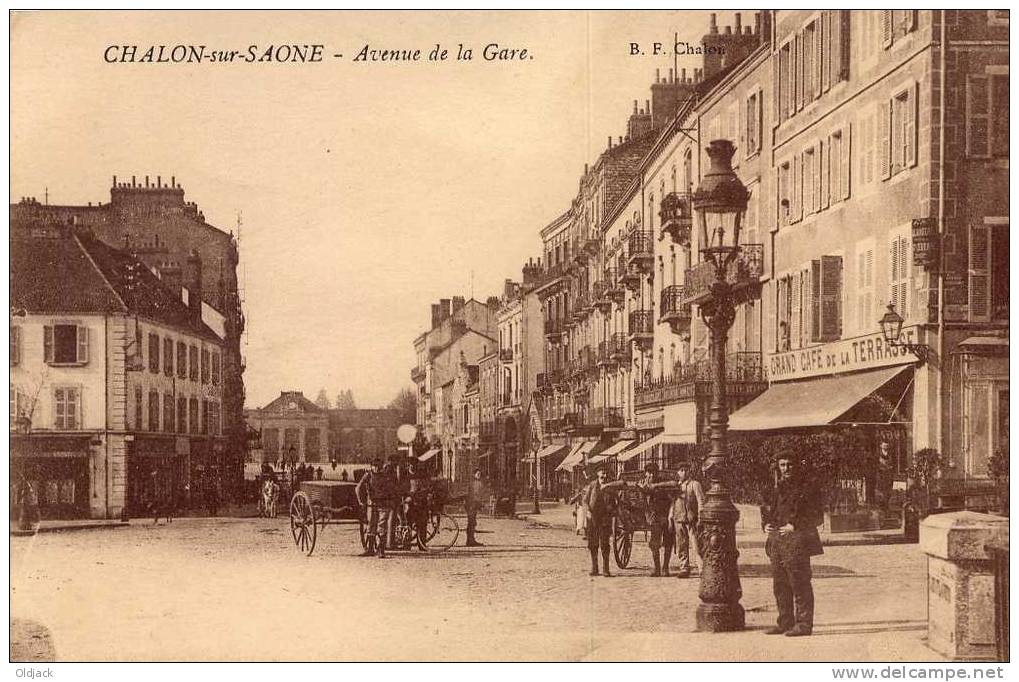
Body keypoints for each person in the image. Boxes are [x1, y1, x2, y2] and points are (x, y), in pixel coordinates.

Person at [761, 454, 823, 637]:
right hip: (777, 542)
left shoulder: (807, 488)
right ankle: (785, 622)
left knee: (800, 582)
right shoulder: (775, 488)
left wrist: (794, 525)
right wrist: (765, 525)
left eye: (789, 464)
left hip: (797, 542)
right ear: (778, 467)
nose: (786, 468)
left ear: (796, 466)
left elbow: (817, 515)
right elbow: (766, 509)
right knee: (780, 584)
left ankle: (803, 625)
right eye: (782, 465)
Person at [581, 466, 626, 577]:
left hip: (605, 518)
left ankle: (606, 569)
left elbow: (622, 486)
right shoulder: (592, 485)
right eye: (602, 473)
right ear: (598, 474)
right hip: (593, 517)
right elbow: (585, 501)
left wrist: (608, 486)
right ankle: (594, 567)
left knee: (605, 544)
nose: (604, 476)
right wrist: (587, 512)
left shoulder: (611, 485)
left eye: (606, 474)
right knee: (592, 544)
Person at [638, 462, 681, 577]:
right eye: (649, 473)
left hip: (666, 516)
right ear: (645, 473)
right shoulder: (642, 483)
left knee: (668, 542)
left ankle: (665, 567)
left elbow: (674, 486)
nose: (651, 475)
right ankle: (657, 568)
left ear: (657, 473)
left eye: (653, 473)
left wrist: (655, 486)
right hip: (654, 517)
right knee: (654, 543)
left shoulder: (663, 483)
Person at [355, 459, 397, 558]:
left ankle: (381, 550)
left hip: (383, 504)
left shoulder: (386, 477)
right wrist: (360, 501)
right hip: (372, 504)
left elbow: (392, 489)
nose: (377, 468)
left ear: (382, 467)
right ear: (371, 466)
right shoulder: (368, 475)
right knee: (371, 526)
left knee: (382, 526)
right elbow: (358, 488)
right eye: (375, 466)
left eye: (379, 466)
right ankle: (370, 549)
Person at [671, 461, 705, 578]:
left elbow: (701, 501)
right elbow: (673, 502)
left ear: (689, 471)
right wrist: (670, 516)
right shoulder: (676, 486)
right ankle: (684, 568)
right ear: (678, 472)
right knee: (681, 544)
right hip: (679, 518)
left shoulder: (695, 484)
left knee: (696, 545)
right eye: (681, 470)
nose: (684, 472)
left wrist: (700, 516)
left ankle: (702, 569)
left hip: (692, 519)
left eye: (686, 470)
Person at [466, 469, 486, 547]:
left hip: (473, 505)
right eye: (477, 474)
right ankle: (470, 540)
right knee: (471, 522)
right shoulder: (474, 483)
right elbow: (475, 495)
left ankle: (471, 539)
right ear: (474, 474)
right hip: (471, 505)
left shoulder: (476, 483)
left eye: (480, 474)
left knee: (472, 522)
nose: (479, 475)